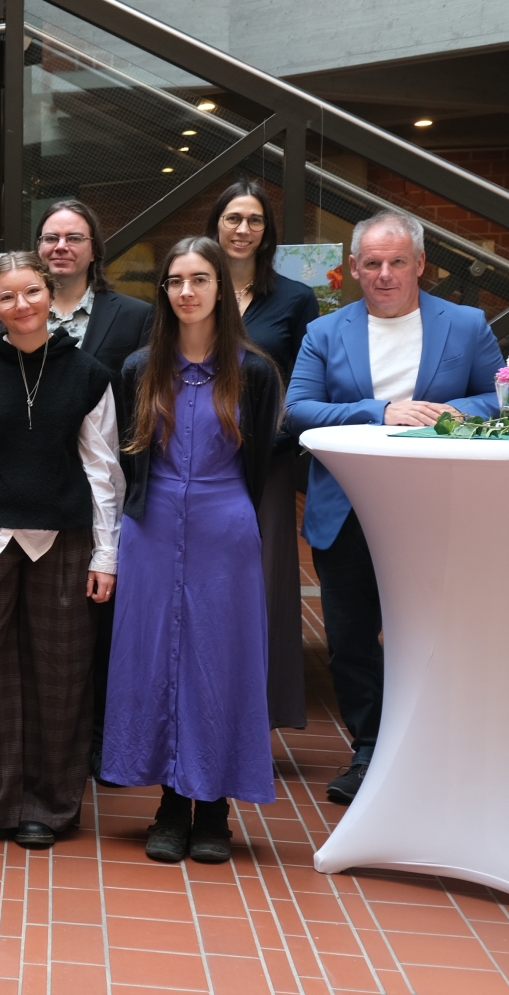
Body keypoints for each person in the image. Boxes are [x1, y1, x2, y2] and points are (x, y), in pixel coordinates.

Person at [286, 208, 503, 804]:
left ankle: (436, 752)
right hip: (347, 511)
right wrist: (379, 411)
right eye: (373, 263)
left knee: (432, 636)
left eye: (397, 262)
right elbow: (299, 408)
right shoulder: (324, 333)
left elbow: (501, 398)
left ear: (420, 265)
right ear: (353, 268)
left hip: (439, 513)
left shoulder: (464, 324)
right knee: (352, 640)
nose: (385, 274)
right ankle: (370, 752)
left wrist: (460, 413)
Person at [0, 251, 122, 849]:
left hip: (64, 541)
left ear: (50, 293)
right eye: (6, 297)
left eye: (31, 292)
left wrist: (105, 555)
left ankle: (49, 808)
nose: (21, 306)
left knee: (60, 674)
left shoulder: (88, 374)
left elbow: (104, 471)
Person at [104, 237, 283, 864]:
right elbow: (129, 459)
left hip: (224, 526)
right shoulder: (138, 369)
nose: (186, 291)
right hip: (151, 531)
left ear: (219, 288)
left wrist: (231, 516)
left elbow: (260, 463)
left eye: (199, 279)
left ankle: (214, 810)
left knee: (220, 661)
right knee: (154, 660)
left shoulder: (254, 372)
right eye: (175, 280)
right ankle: (168, 806)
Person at [36, 199, 151, 780]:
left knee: (98, 617)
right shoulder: (13, 311)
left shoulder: (132, 316)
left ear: (93, 249)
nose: (61, 247)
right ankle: (47, 738)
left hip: (103, 487)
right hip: (29, 492)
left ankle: (101, 741)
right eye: (51, 237)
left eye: (73, 237)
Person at [205, 181, 318, 731]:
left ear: (267, 231)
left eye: (253, 220)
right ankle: (202, 706)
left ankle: (256, 717)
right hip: (196, 461)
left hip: (266, 463)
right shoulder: (191, 288)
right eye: (232, 218)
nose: (242, 229)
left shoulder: (294, 300)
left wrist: (265, 445)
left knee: (263, 586)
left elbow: (301, 389)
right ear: (216, 225)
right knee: (204, 583)